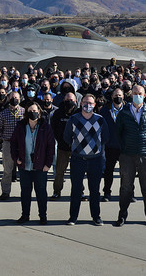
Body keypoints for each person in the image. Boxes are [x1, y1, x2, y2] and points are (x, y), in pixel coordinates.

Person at [115, 85, 146, 227]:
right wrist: (125, 148)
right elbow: (118, 133)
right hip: (128, 154)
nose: (137, 95)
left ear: (144, 95)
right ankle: (122, 215)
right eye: (135, 93)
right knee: (126, 187)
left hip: (145, 155)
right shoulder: (124, 113)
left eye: (140, 93)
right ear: (131, 95)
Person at [64, 94, 109, 226]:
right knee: (76, 190)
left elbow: (105, 137)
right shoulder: (73, 119)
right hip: (78, 159)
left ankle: (96, 217)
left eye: (90, 103)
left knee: (94, 190)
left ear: (94, 105)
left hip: (95, 160)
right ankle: (73, 217)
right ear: (80, 103)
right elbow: (67, 137)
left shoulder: (100, 120)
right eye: (85, 102)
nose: (87, 105)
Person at [9, 102, 54, 225]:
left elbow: (51, 147)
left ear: (39, 112)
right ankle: (25, 215)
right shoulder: (20, 126)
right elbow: (13, 143)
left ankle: (43, 216)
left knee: (41, 192)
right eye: (30, 111)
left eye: (35, 111)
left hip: (40, 166)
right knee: (25, 192)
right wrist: (16, 158)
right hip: (25, 165)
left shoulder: (45, 127)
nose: (32, 113)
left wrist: (48, 164)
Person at [0, 91, 24, 200]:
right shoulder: (3, 113)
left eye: (16, 97)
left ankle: (24, 192)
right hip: (8, 143)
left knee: (23, 170)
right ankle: (5, 192)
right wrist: (3, 137)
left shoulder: (24, 112)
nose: (14, 99)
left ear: (19, 99)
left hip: (21, 144)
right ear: (8, 99)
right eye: (12, 97)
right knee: (7, 170)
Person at [50, 92, 79, 200]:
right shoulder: (58, 113)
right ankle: (56, 191)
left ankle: (79, 192)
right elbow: (54, 128)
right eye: (67, 100)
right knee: (59, 171)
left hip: (77, 148)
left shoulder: (79, 112)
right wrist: (60, 140)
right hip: (62, 147)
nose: (69, 102)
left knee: (77, 172)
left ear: (76, 101)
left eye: (71, 100)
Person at [99, 88, 125, 201]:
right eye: (115, 95)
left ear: (123, 97)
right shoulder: (105, 110)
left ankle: (128, 193)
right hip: (110, 146)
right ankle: (106, 193)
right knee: (108, 171)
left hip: (125, 146)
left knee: (126, 173)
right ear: (112, 97)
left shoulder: (129, 109)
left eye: (119, 95)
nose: (117, 97)